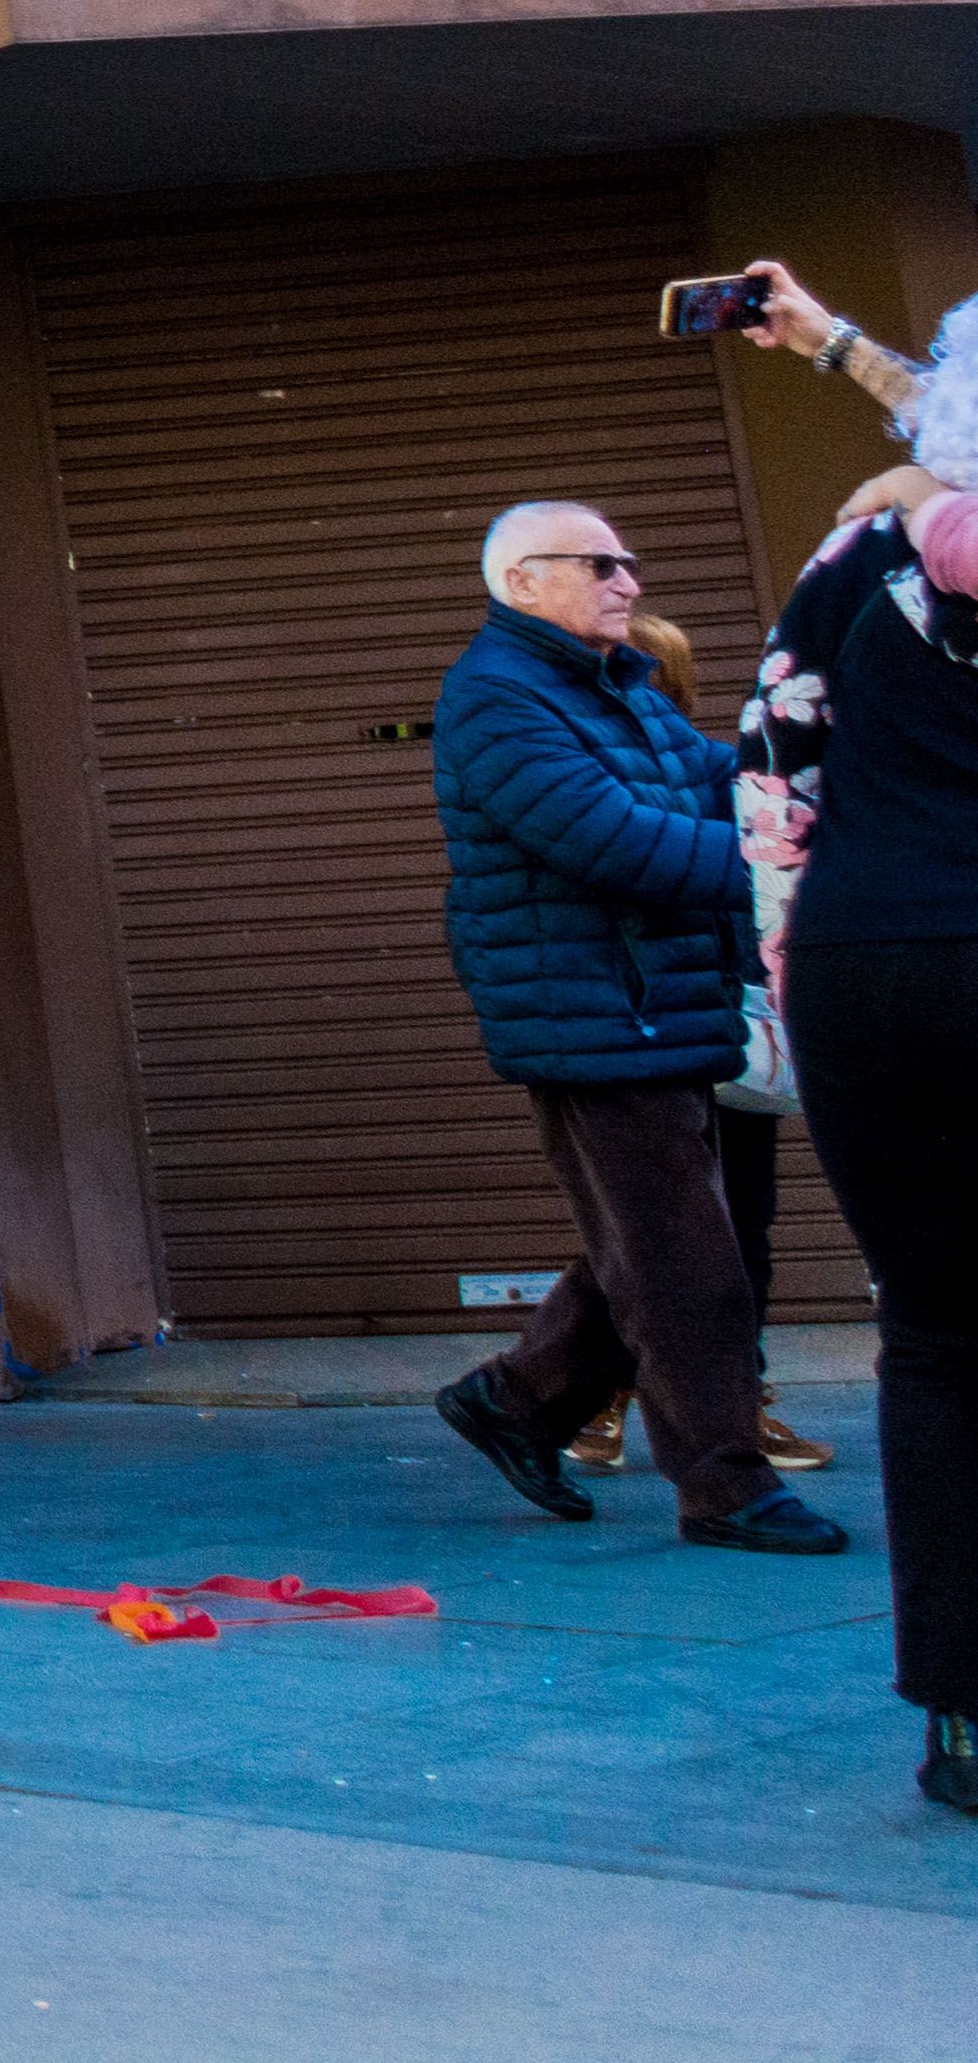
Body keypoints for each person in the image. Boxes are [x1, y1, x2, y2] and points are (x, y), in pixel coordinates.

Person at [424, 500, 833, 1557]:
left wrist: (812, 783)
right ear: (523, 582)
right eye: (600, 563)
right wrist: (779, 867)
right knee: (685, 1265)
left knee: (687, 1244)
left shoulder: (620, 688)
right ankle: (725, 1486)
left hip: (666, 1006)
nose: (629, 580)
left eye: (630, 562)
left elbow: (715, 781)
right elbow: (607, 840)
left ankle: (518, 1401)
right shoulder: (495, 698)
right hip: (595, 1018)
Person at [753, 328, 978, 1815]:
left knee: (939, 1336)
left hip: (864, 964)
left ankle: (960, 1718)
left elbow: (773, 776)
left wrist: (790, 987)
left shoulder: (852, 559)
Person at [565, 610, 824, 1488]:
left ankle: (732, 1399)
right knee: (663, 1233)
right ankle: (594, 1400)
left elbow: (763, 890)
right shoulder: (587, 772)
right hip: (646, 1031)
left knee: (729, 1228)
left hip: (721, 1032)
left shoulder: (714, 770)